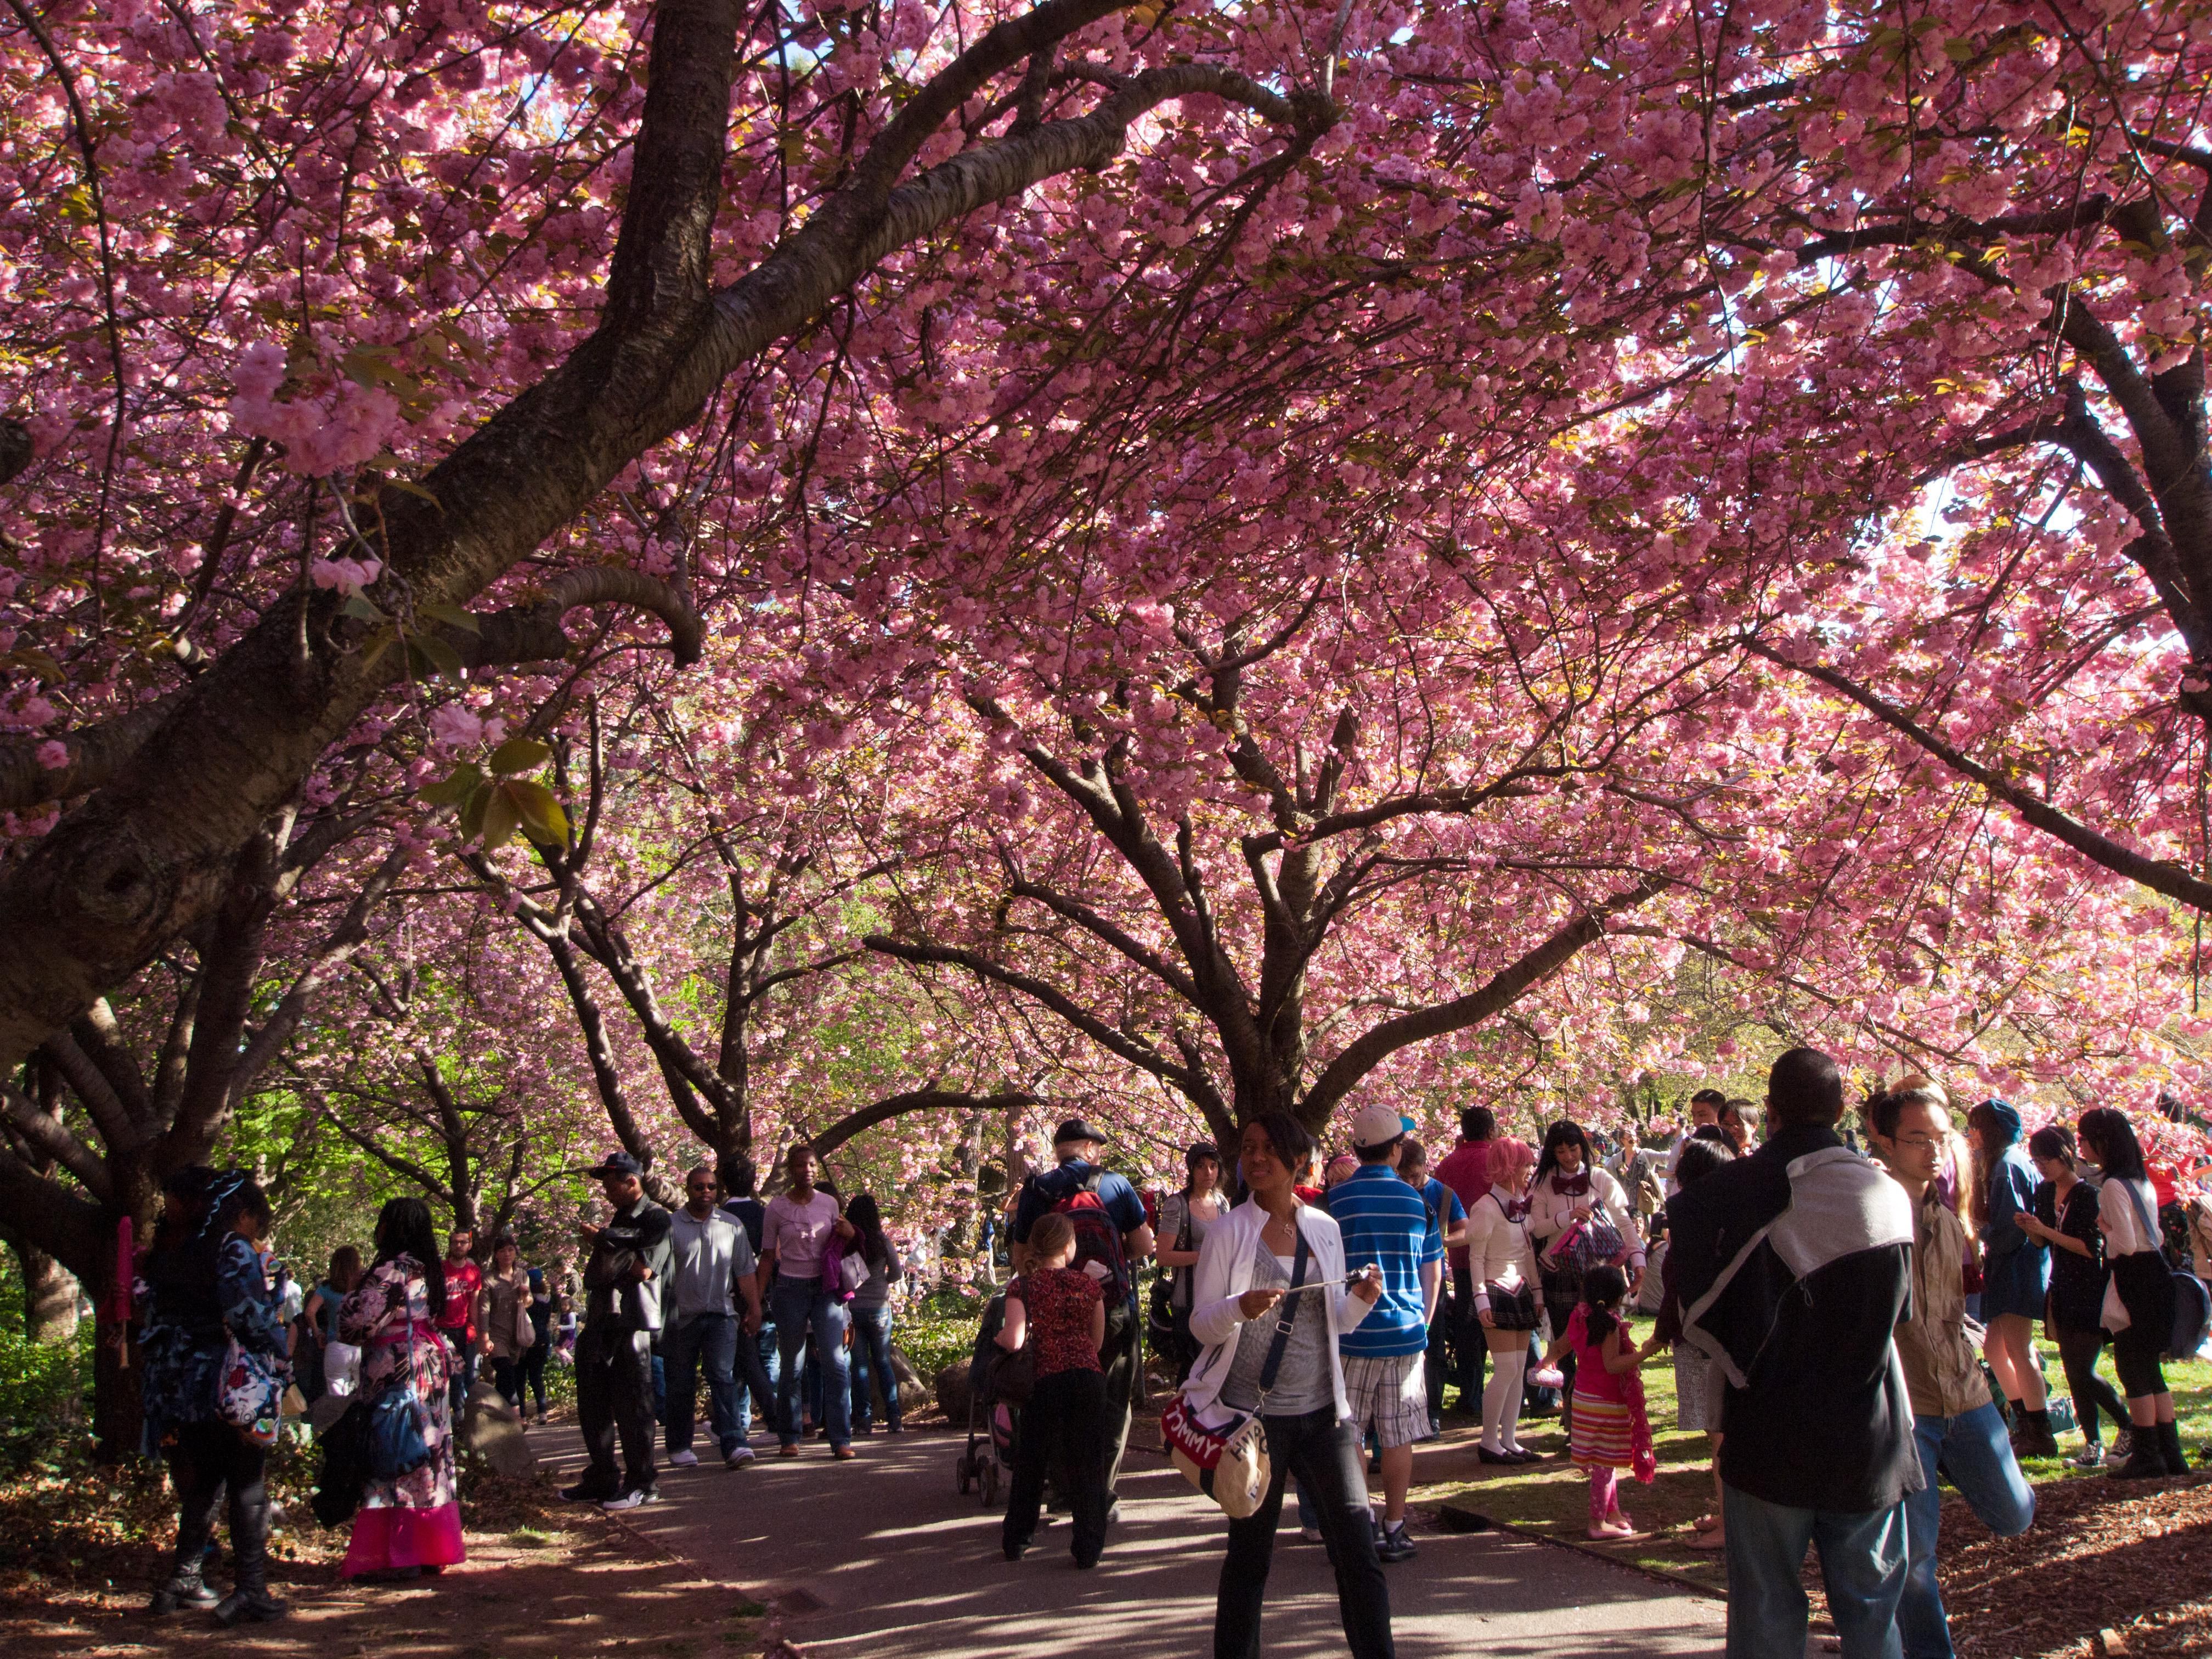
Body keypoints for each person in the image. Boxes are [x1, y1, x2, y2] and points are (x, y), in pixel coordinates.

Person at [1671, 1047, 1919, 1659]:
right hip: (1868, 1432)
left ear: (1772, 1110)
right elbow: (1900, 1318)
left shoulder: (1729, 1194)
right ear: (1841, 1109)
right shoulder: (1888, 1198)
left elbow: (1688, 1309)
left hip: (1767, 1432)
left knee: (1764, 1612)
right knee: (1872, 1614)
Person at [1183, 1111, 1390, 1659]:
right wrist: (1237, 1307)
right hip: (1256, 1419)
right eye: (1248, 1148)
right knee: (1250, 1561)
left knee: (1358, 1549)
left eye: (1269, 1150)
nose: (1255, 1159)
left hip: (1325, 1414)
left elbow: (1334, 1324)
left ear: (1298, 1161)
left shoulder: (1324, 1229)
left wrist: (1364, 1301)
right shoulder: (1231, 1230)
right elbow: (1202, 1324)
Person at [1866, 1082, 2035, 1659]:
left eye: (1943, 1139)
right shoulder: (1872, 1214)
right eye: (1919, 1139)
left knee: (2014, 1514)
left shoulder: (1943, 1213)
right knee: (1915, 1562)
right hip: (1907, 1408)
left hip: (1965, 1393)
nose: (1935, 1152)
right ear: (1884, 1140)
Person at [140, 1167, 293, 1625]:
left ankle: (183, 1578)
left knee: (205, 1480)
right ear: (242, 1214)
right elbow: (247, 1316)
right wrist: (281, 1345)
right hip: (232, 1385)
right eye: (256, 1222)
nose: (256, 1232)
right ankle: (249, 1588)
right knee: (248, 1481)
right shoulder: (234, 1250)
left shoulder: (176, 1253)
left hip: (185, 1386)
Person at [1008, 1118, 1154, 1507]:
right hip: (1114, 1305)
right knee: (1112, 1402)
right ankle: (1100, 1491)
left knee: (1056, 1399)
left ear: (1059, 1151)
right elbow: (1144, 1244)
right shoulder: (1117, 1184)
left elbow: (1022, 1255)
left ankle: (1063, 1490)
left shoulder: (1038, 1188)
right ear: (1090, 1149)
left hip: (1057, 1313)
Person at [1324, 1102, 1442, 1565]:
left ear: (1357, 1149)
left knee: (1350, 1431)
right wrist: (1426, 1321)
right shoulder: (1418, 1202)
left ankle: (1360, 1525)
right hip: (1405, 1331)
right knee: (1398, 1434)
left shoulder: (1334, 1202)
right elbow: (1430, 1272)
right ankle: (1396, 1525)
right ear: (1395, 1151)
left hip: (1352, 1331)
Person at [341, 1195, 465, 1583]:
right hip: (429, 1366)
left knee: (393, 1453)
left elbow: (359, 1323)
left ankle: (399, 1555)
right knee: (429, 1453)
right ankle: (431, 1550)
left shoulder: (392, 1269)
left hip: (395, 1368)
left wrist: (349, 1296)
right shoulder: (428, 1270)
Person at [2078, 1107, 2188, 1477]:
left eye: (2085, 1139)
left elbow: (2123, 1243)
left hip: (2133, 1278)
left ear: (2102, 1142)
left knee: (2133, 1368)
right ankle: (2170, 1452)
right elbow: (2153, 1236)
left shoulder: (2110, 1186)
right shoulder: (2139, 1180)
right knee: (2151, 1370)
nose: (2081, 1146)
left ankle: (2147, 1453)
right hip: (2155, 1275)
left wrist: (2104, 1226)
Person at [2015, 1125, 2133, 1467]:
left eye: (2047, 1159)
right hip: (2061, 1288)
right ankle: (2093, 1443)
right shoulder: (2042, 1192)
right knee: (2072, 1370)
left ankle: (2128, 1426)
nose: (2042, 1167)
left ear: (2066, 1153)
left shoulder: (2088, 1195)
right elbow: (2042, 1242)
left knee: (2084, 1369)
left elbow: (2090, 1249)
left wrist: (2046, 1231)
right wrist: (2031, 1230)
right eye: (2037, 1160)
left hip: (2089, 1289)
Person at [998, 1212, 1110, 1566]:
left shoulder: (1024, 1287)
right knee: (1089, 1463)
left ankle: (1017, 1539)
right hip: (1088, 1378)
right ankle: (1088, 1547)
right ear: (1067, 1246)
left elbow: (1015, 1340)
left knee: (1032, 1461)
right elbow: (1096, 1342)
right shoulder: (1089, 1286)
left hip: (1047, 1379)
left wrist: (998, 1339)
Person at [565, 1150, 675, 1507]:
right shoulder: (621, 1216)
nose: (606, 1191)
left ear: (632, 1181)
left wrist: (603, 1237)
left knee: (634, 1404)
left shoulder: (657, 1218)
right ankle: (602, 1476)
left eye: (611, 1183)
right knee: (593, 1399)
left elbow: (644, 1270)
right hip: (601, 1317)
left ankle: (643, 1482)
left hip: (633, 1321)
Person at [1525, 1119, 1645, 1426]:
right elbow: (1536, 1227)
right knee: (1566, 1343)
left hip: (1600, 1276)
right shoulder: (1541, 1183)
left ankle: (1602, 1411)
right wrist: (1566, 1217)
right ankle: (1572, 1414)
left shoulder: (1601, 1179)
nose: (1568, 1157)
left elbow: (1624, 1221)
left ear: (1584, 1147)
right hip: (1558, 1271)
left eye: (1573, 1149)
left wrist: (1638, 1259)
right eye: (1561, 1151)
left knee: (1602, 1342)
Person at [1650, 1134, 1737, 1551]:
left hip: (1702, 1336)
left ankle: (1730, 1527)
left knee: (1720, 1434)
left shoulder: (1690, 1215)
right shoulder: (1735, 1213)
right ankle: (1728, 1515)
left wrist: (1662, 1331)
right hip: (1724, 1335)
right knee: (1722, 1433)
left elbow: (1680, 1282)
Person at [1966, 1097, 2055, 1457]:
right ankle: (2025, 1421)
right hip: (2013, 1264)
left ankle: (2039, 1429)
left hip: (2018, 1264)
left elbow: (2010, 1228)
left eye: (1975, 1127)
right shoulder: (2010, 1162)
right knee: (1995, 1348)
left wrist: (1979, 1228)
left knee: (2019, 1348)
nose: (1971, 1135)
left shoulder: (2006, 1166)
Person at [761, 1144, 858, 1459]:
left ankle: (841, 1439)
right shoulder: (776, 1208)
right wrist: (755, 1301)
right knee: (792, 1364)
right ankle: (790, 1437)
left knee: (835, 1362)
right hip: (789, 1288)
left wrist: (850, 1232)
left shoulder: (829, 1203)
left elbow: (843, 1243)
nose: (808, 1170)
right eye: (801, 1165)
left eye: (813, 1165)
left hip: (825, 1290)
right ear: (791, 1170)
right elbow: (765, 1257)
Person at [1543, 1263, 1654, 1538]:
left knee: (1605, 1461)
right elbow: (1613, 1365)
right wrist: (1645, 1353)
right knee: (1605, 1465)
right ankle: (1597, 1523)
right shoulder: (1610, 1326)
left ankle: (1612, 1512)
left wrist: (1544, 1363)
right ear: (1617, 1297)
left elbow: (1561, 1346)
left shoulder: (1579, 1317)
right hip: (1607, 1403)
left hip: (1582, 1399)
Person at [664, 1162, 763, 1469]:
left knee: (722, 1377)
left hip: (722, 1315)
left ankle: (734, 1443)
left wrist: (755, 1308)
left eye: (711, 1187)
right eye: (699, 1187)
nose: (706, 1192)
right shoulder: (671, 1225)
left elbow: (745, 1271)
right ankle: (680, 1445)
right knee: (681, 1383)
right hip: (682, 1318)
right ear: (688, 1189)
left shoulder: (731, 1224)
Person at [1464, 1135, 1541, 1464]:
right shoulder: (1485, 1207)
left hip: (1520, 1290)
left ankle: (1509, 1439)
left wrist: (1537, 1293)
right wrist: (1481, 1300)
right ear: (1510, 1167)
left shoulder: (1523, 1206)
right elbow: (1475, 1258)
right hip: (1496, 1291)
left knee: (1520, 1367)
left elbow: (1527, 1254)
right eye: (1524, 1164)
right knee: (1507, 1368)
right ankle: (1488, 1441)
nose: (1529, 1170)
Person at [1397, 1139, 1467, 1438]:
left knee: (1434, 1348)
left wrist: (1437, 1243)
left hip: (1430, 1282)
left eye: (1415, 1176)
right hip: (1399, 1279)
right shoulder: (1396, 1192)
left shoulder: (1443, 1193)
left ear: (1426, 1166)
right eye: (1405, 1177)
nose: (1411, 1183)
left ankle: (1433, 1413)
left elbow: (1465, 1229)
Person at [1434, 1107, 1497, 1412]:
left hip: (1461, 1254)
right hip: (1498, 1255)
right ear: (1490, 1131)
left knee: (1468, 1328)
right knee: (1512, 1321)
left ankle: (1471, 1396)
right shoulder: (1497, 1160)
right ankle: (1537, 1392)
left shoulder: (1447, 1164)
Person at [717, 1158, 782, 1443]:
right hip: (764, 1293)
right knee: (764, 1356)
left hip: (730, 1296)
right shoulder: (765, 1215)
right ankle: (766, 1418)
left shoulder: (719, 1218)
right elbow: (775, 1258)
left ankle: (741, 1420)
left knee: (737, 1361)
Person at [1157, 1141, 1229, 1385]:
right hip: (1187, 1299)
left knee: (1217, 1368)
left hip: (1219, 1297)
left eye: (1213, 1166)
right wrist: (1204, 1255)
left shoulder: (1221, 1203)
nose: (1208, 1172)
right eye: (1201, 1167)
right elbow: (1163, 1255)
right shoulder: (1177, 1205)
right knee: (1192, 1369)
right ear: (1191, 1170)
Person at [844, 1193, 905, 1434]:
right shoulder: (881, 1241)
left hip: (854, 1308)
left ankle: (864, 1421)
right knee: (883, 1362)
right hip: (879, 1308)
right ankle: (895, 1418)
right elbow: (898, 1272)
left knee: (858, 1366)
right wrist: (884, 1281)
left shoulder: (848, 1243)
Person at [474, 1233, 535, 1412]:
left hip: (516, 1334)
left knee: (508, 1378)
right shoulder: (488, 1279)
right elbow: (483, 1309)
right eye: (502, 1250)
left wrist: (525, 1295)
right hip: (496, 1334)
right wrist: (484, 1337)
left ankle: (502, 1417)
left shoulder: (522, 1275)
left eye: (510, 1250)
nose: (507, 1254)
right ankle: (516, 1414)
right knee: (505, 1370)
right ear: (496, 1254)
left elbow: (528, 1303)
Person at [433, 1227, 483, 1418]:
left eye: (463, 1242)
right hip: (443, 1329)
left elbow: (475, 1303)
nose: (459, 1245)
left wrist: (479, 1332)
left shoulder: (474, 1271)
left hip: (465, 1328)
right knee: (453, 1375)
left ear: (469, 1245)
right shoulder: (440, 1269)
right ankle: (459, 1414)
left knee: (470, 1374)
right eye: (455, 1242)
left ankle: (472, 1415)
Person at [306, 1245, 363, 1401]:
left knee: (337, 1397)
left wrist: (318, 1333)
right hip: (361, 1346)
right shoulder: (364, 1286)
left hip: (336, 1346)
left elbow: (310, 1312)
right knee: (365, 1394)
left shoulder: (327, 1288)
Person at [1663, 1088, 1727, 1193]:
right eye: (1693, 1115)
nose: (1696, 1121)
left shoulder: (1729, 1144)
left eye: (1702, 1115)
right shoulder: (1688, 1144)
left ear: (1720, 1114)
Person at [520, 1262, 554, 1423]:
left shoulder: (525, 1301)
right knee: (536, 1378)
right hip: (541, 1341)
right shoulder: (547, 1300)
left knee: (520, 1378)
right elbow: (547, 1321)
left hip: (524, 1341)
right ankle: (542, 1412)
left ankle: (522, 1414)